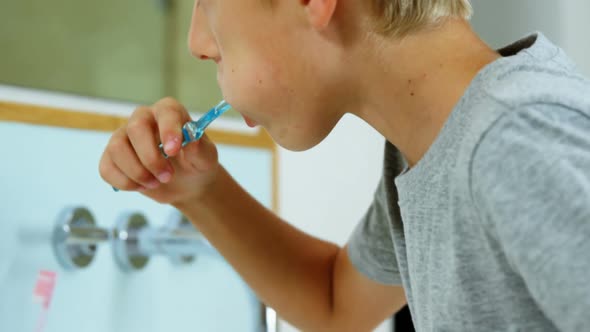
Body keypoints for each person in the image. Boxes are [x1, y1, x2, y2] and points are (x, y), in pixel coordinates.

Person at [99, 0, 590, 330]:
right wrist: (198, 192)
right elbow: (334, 302)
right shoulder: (431, 150)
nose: (197, 43)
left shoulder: (513, 140)